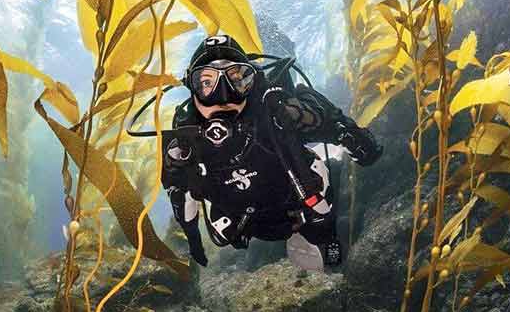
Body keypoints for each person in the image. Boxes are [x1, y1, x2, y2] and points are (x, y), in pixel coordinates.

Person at [161, 35, 382, 271]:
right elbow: (178, 189)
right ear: (191, 88)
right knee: (224, 234)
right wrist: (194, 243)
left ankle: (322, 237)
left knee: (325, 226)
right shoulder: (185, 135)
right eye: (206, 83)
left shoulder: (275, 109)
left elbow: (360, 145)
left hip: (299, 205)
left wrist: (307, 116)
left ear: (251, 80)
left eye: (237, 79)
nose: (223, 96)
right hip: (245, 223)